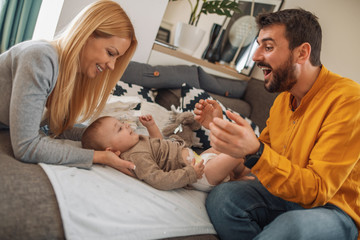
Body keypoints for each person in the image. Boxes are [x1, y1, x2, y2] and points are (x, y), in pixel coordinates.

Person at [194, 8, 360, 240]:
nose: (255, 56)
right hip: (286, 195)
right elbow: (256, 165)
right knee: (224, 199)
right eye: (258, 45)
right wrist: (221, 130)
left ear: (302, 53)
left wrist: (255, 151)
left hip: (335, 209)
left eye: (268, 47)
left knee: (293, 226)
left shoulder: (349, 100)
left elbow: (318, 190)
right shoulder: (283, 98)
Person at [0, 1, 139, 175]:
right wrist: (99, 157)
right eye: (111, 53)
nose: (112, 65)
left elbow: (56, 127)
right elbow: (26, 147)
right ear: (87, 34)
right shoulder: (40, 59)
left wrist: (116, 142)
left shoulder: (71, 73)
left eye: (116, 59)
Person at [81, 114, 251, 191]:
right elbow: (159, 179)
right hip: (200, 175)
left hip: (199, 159)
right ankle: (242, 167)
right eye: (119, 129)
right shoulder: (135, 157)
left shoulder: (136, 140)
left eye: (121, 123)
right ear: (112, 151)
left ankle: (235, 176)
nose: (126, 125)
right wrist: (190, 173)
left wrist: (151, 127)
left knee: (224, 149)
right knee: (237, 152)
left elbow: (160, 145)